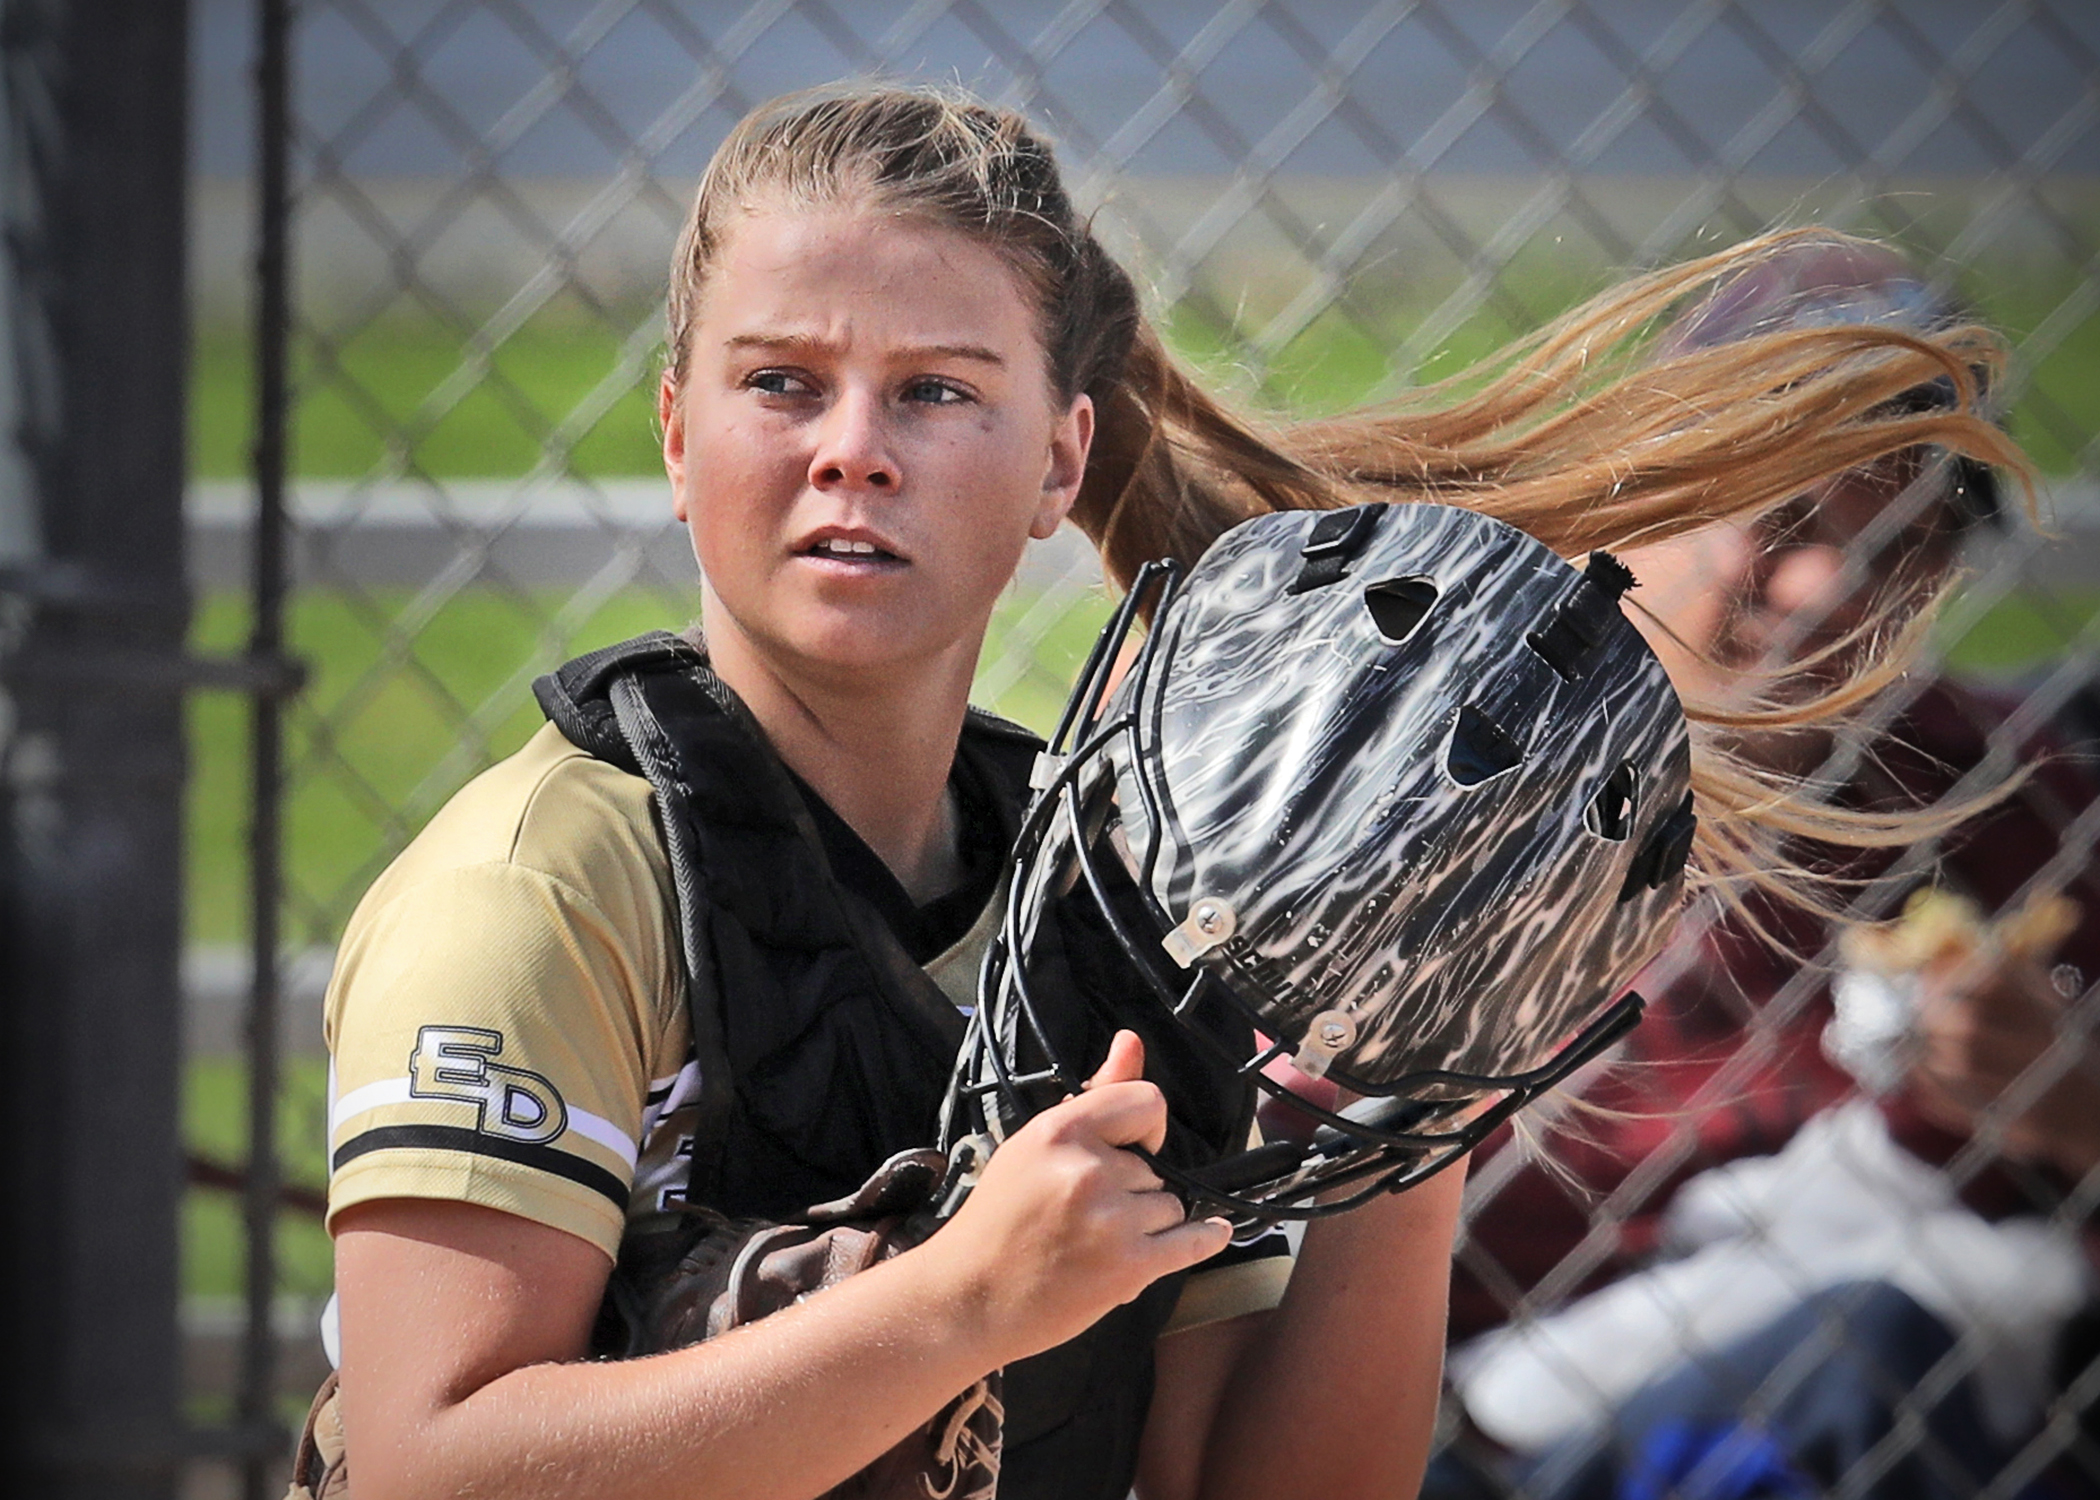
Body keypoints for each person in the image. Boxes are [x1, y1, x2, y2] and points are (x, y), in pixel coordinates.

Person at [311, 86, 2019, 1500]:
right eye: (780, 382)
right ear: (678, 434)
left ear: (1063, 460)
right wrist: (961, 1304)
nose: (851, 446)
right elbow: (423, 1463)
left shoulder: (1135, 880)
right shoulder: (548, 882)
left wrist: (1405, 1104)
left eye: (938, 391)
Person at [1438, 241, 2100, 1499]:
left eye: (1899, 544)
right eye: (1788, 517)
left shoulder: (2011, 793)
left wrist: (2073, 1106)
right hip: (1494, 1426)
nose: (1826, 589)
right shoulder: (1459, 770)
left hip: (1917, 1412)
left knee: (1875, 1359)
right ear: (1651, 495)